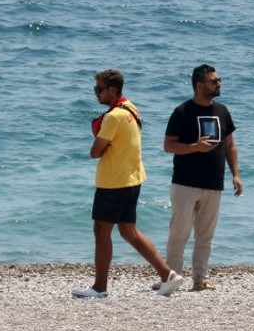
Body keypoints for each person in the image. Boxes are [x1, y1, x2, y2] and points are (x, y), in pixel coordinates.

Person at [73, 70, 184, 298]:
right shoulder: (131, 108)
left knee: (101, 230)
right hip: (132, 179)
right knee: (128, 231)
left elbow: (95, 151)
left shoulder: (113, 116)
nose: (96, 93)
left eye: (99, 89)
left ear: (112, 90)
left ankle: (99, 288)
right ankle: (168, 274)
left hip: (114, 181)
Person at [163, 64, 242, 292]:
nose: (219, 84)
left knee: (206, 236)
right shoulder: (182, 111)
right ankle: (171, 278)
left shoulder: (222, 111)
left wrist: (236, 175)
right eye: (214, 81)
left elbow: (230, 145)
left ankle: (200, 279)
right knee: (179, 234)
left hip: (214, 183)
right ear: (199, 85)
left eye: (219, 80)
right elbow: (169, 145)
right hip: (185, 183)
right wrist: (194, 147)